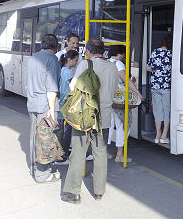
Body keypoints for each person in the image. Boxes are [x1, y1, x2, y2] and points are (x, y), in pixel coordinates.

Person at [61, 39, 118, 204]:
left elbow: (73, 87)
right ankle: (99, 191)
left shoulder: (85, 65)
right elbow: (113, 91)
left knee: (78, 153)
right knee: (100, 154)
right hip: (104, 117)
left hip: (84, 117)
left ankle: (73, 192)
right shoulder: (113, 67)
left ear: (88, 51)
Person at [26, 34, 61, 183]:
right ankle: (42, 174)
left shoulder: (33, 58)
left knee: (35, 137)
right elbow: (51, 89)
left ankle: (36, 167)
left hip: (32, 103)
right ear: (55, 46)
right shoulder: (52, 59)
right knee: (45, 139)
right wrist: (52, 111)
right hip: (45, 106)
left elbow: (27, 85)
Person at [107, 45, 143, 163]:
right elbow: (126, 82)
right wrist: (138, 93)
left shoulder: (106, 62)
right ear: (119, 54)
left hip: (107, 100)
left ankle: (105, 152)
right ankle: (119, 155)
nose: (123, 56)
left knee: (109, 126)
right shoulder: (118, 64)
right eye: (123, 54)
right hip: (119, 100)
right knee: (123, 125)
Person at [146, 35, 172, 144]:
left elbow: (148, 68)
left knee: (157, 110)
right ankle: (164, 135)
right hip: (166, 86)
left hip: (155, 86)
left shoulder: (155, 52)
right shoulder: (171, 54)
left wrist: (156, 71)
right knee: (166, 110)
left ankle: (157, 134)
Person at [57, 50, 79, 163]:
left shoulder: (62, 70)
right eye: (75, 60)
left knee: (60, 131)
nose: (76, 63)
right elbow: (67, 92)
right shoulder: (68, 72)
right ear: (69, 60)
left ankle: (60, 154)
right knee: (66, 131)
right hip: (65, 107)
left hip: (60, 106)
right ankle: (63, 155)